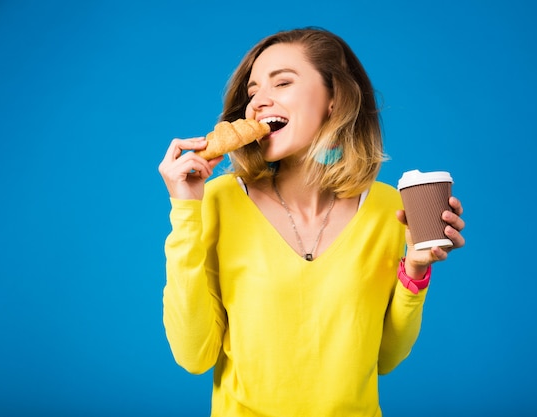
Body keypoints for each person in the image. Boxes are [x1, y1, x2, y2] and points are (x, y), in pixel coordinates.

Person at [158, 27, 465, 417]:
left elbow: (385, 359)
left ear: (334, 98)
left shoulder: (390, 207)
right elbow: (193, 355)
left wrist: (416, 269)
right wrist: (186, 211)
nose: (258, 102)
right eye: (252, 93)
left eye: (282, 82)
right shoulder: (217, 200)